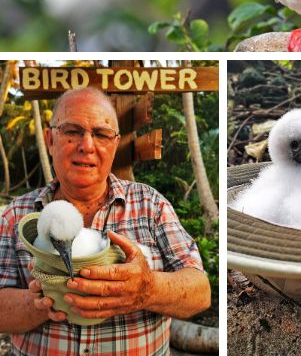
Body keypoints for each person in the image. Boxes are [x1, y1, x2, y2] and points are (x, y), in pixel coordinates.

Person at [0, 87, 211, 355]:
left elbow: (200, 292)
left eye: (100, 134)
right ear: (50, 140)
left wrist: (147, 289)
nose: (86, 145)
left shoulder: (151, 204)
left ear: (114, 145)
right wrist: (42, 301)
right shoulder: (14, 217)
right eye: (72, 131)